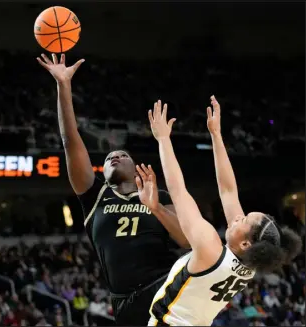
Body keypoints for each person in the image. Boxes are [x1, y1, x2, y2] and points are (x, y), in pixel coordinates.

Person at [37, 53, 190, 326]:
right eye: (108, 159)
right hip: (123, 301)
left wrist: (155, 207)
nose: (114, 157)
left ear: (136, 167)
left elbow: (188, 241)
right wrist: (63, 86)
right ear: (102, 173)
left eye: (121, 156)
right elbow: (70, 140)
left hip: (164, 287)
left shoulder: (161, 195)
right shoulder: (95, 196)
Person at [146, 98, 302, 326]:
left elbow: (178, 191)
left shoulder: (210, 247)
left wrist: (162, 139)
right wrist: (217, 136)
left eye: (244, 219)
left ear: (247, 243)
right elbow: (228, 191)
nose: (238, 216)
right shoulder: (248, 263)